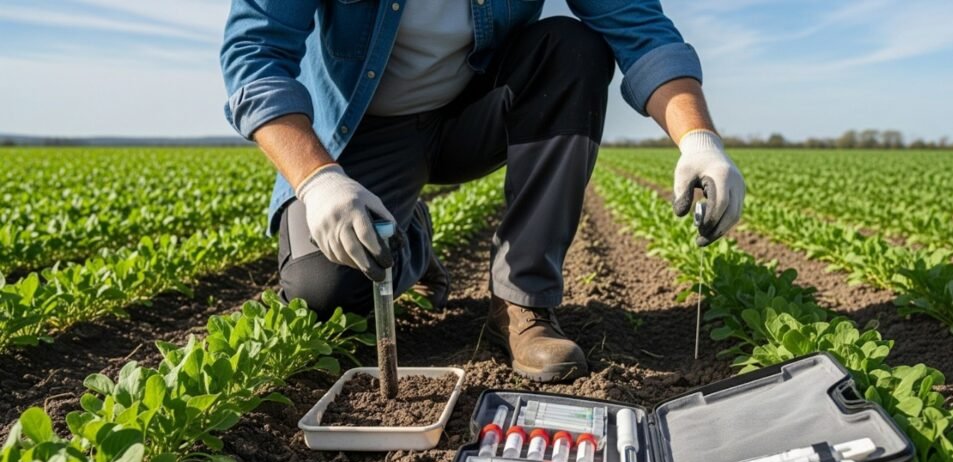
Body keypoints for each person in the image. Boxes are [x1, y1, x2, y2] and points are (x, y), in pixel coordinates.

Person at [220, 1, 746, 383]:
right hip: (362, 131)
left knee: (573, 49)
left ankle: (523, 301)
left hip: (477, 113)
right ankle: (411, 237)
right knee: (325, 294)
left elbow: (639, 27)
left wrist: (699, 140)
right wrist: (317, 180)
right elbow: (254, 50)